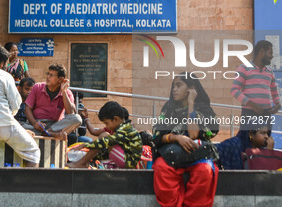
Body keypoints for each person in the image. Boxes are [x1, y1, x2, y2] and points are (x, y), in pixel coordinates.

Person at [152, 73, 219, 207]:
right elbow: (156, 135)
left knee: (204, 172)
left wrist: (191, 104)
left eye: (179, 85)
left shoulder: (204, 109)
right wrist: (176, 137)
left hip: (197, 155)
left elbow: (194, 135)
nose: (174, 89)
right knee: (161, 168)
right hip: (171, 154)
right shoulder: (168, 108)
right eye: (173, 86)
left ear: (191, 88)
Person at [0, 45, 40, 167]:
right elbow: (16, 104)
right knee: (34, 153)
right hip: (4, 125)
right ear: (3, 63)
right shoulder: (6, 76)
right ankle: (28, 185)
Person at [230, 40, 281, 148]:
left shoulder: (270, 72)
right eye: (270, 53)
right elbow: (234, 90)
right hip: (249, 113)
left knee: (265, 143)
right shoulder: (244, 68)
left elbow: (275, 93)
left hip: (266, 114)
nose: (272, 57)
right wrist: (252, 105)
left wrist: (277, 105)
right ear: (262, 52)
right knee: (246, 142)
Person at [67, 101, 143, 169]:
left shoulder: (126, 129)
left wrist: (87, 145)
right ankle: (83, 162)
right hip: (123, 158)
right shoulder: (122, 128)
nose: (106, 126)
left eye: (107, 123)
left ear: (116, 119)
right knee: (103, 140)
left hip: (127, 162)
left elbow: (108, 141)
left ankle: (81, 163)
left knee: (104, 136)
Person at [25, 64, 81, 140]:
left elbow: (70, 113)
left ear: (60, 79)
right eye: (48, 74)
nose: (48, 77)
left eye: (51, 75)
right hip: (37, 124)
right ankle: (50, 134)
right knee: (19, 125)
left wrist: (64, 92)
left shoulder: (67, 93)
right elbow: (27, 108)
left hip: (55, 126)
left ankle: (48, 133)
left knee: (77, 119)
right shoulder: (37, 87)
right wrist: (34, 123)